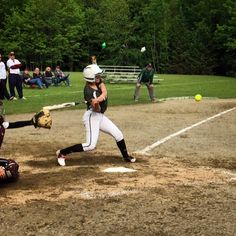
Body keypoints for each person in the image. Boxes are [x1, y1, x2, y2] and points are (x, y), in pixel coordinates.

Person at [56, 64, 136, 166]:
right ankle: (62, 153)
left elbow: (104, 91)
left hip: (100, 116)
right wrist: (95, 104)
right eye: (97, 75)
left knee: (118, 134)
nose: (99, 77)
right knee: (90, 145)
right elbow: (97, 110)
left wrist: (100, 98)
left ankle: (126, 157)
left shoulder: (98, 82)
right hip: (92, 116)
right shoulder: (88, 91)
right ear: (91, 77)